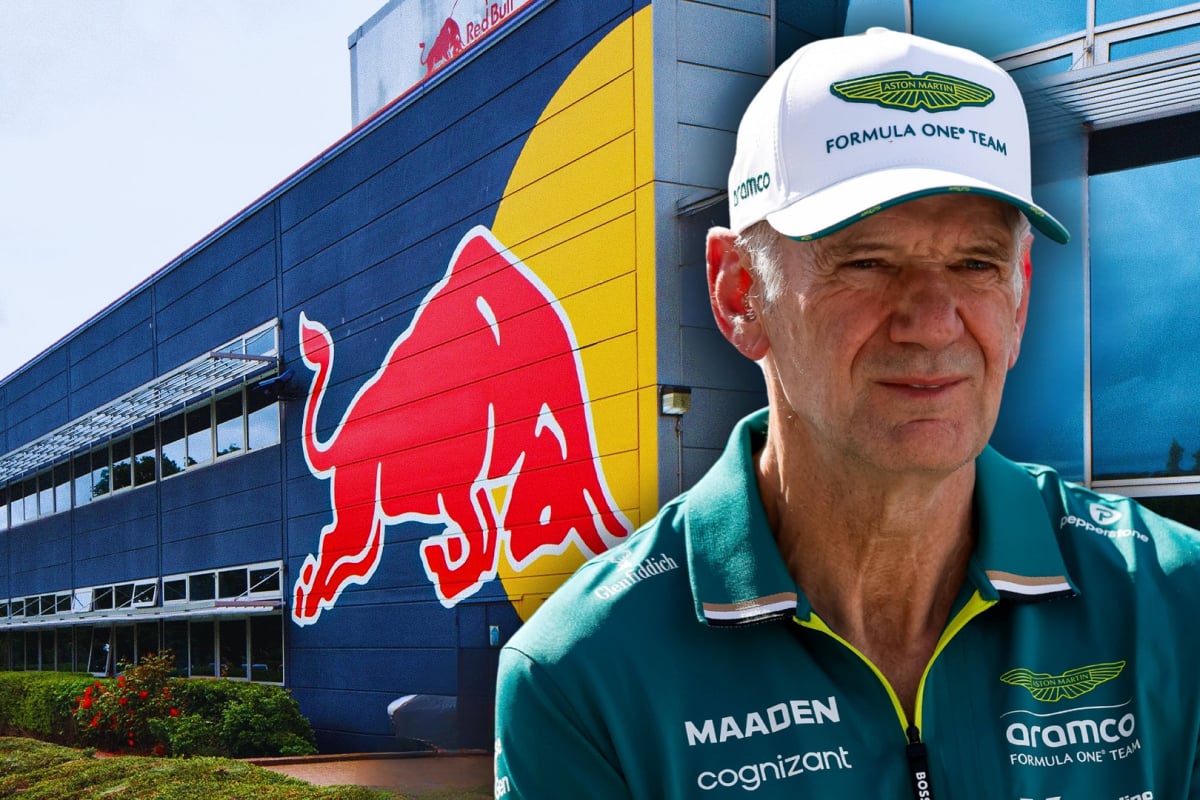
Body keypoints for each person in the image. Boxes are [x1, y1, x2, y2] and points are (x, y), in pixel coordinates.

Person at [494, 27, 1200, 799]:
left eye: (976, 265)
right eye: (866, 262)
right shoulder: (583, 677)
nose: (933, 322)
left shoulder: (1175, 605)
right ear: (740, 293)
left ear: (1021, 292)